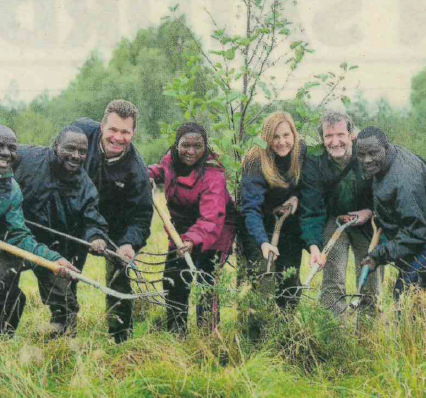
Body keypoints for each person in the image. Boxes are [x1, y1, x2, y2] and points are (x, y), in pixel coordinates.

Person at [0, 125, 78, 341]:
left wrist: (53, 259)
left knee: (8, 295)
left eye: (11, 148)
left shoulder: (11, 190)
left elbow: (19, 236)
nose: (5, 153)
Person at [12, 125, 109, 337]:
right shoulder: (27, 157)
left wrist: (96, 238)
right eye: (70, 149)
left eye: (82, 152)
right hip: (15, 239)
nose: (76, 156)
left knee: (65, 303)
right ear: (56, 146)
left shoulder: (86, 186)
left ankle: (62, 346)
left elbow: (93, 219)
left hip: (53, 252)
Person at [72, 100, 153, 343]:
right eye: (113, 130)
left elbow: (141, 217)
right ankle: (64, 333)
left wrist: (129, 244)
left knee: (120, 275)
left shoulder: (137, 171)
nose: (118, 137)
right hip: (75, 216)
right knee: (67, 271)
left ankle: (120, 338)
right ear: (102, 127)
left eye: (125, 132)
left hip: (114, 224)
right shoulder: (78, 135)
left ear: (133, 133)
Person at [357, 126, 426, 301]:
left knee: (404, 295)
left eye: (372, 153)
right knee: (412, 291)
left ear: (385, 147)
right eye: (361, 155)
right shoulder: (384, 162)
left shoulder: (404, 179)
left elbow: (417, 233)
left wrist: (378, 255)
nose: (366, 160)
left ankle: (414, 327)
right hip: (421, 229)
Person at [148, 122, 236, 333]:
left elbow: (211, 218)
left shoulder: (213, 174)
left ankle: (208, 338)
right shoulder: (170, 160)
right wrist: (146, 174)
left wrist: (191, 240)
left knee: (207, 283)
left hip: (216, 229)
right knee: (174, 277)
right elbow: (162, 173)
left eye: (198, 146)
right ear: (176, 144)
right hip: (182, 229)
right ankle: (176, 334)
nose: (191, 152)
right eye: (185, 145)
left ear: (205, 147)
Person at [299, 111, 381, 316]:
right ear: (322, 138)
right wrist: (314, 245)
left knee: (370, 275)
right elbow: (311, 207)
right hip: (335, 221)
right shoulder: (314, 162)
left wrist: (370, 211)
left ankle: (369, 335)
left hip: (368, 222)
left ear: (351, 134)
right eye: (328, 136)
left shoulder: (367, 155)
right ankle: (334, 334)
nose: (335, 142)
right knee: (332, 278)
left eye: (340, 135)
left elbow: (386, 192)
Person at [239, 111, 306, 337]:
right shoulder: (256, 161)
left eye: (286, 135)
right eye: (275, 137)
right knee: (263, 283)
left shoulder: (301, 152)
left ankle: (284, 336)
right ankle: (257, 340)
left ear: (294, 134)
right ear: (267, 138)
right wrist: (263, 243)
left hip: (288, 226)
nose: (282, 142)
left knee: (290, 280)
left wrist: (296, 196)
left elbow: (309, 186)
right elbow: (250, 209)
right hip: (256, 226)